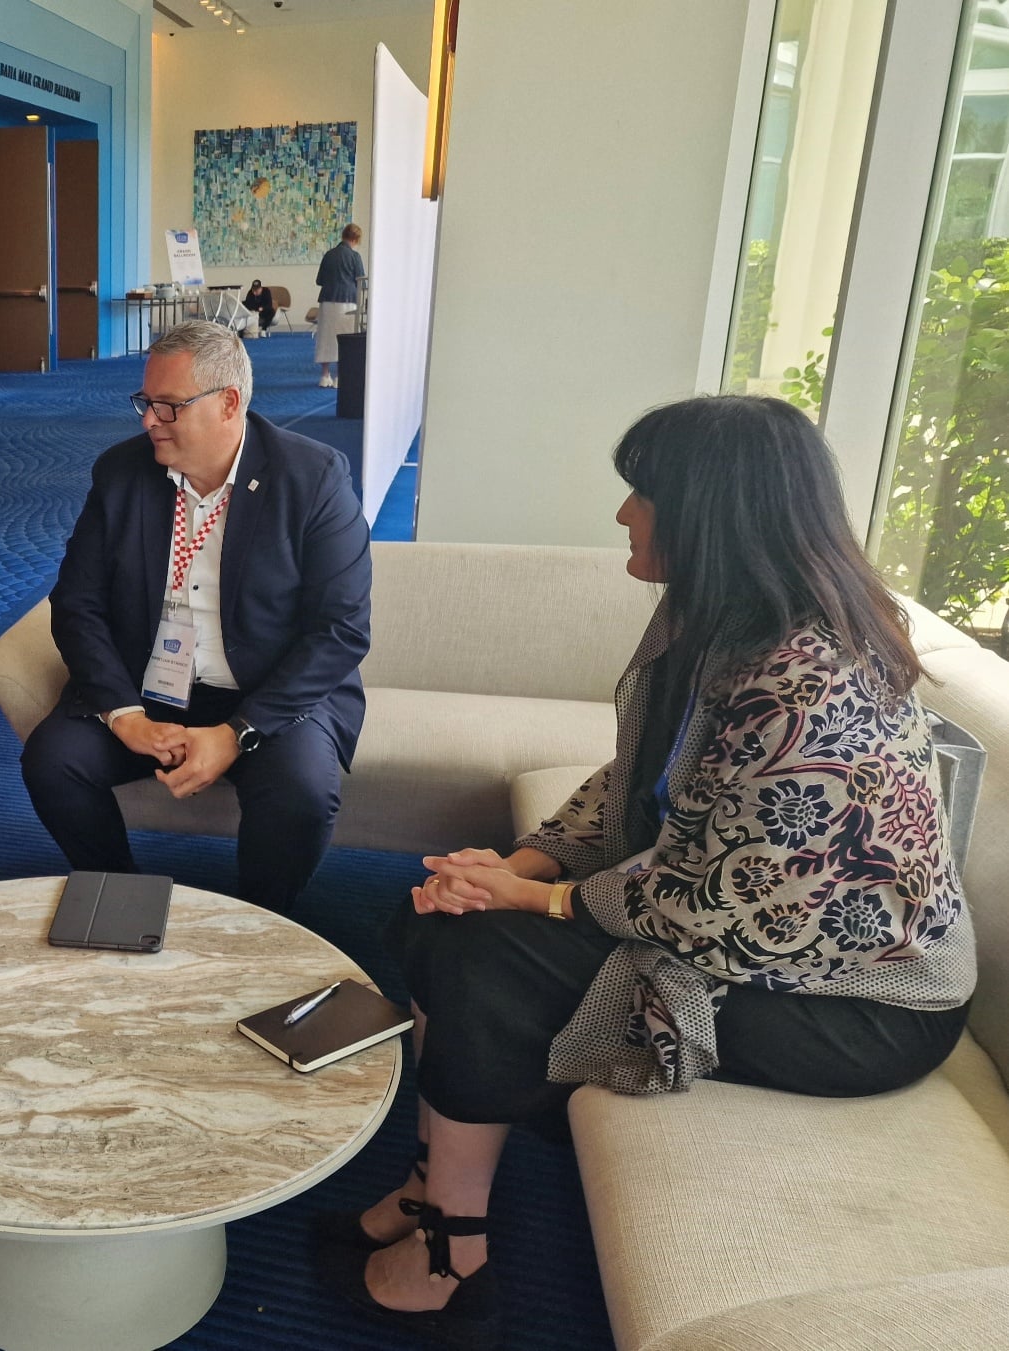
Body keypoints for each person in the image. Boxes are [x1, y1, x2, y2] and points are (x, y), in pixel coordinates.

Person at [319, 395, 976, 1348]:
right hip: (742, 929)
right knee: (439, 917)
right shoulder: (719, 620)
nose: (624, 513)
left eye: (643, 493)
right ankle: (432, 1189)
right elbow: (636, 777)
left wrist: (531, 895)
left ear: (711, 510)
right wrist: (519, 861)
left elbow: (736, 906)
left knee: (481, 958)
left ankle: (455, 1258)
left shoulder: (812, 682)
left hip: (853, 1003)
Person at [20, 320, 371, 914]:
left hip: (267, 693)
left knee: (302, 793)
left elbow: (341, 628)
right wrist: (123, 713)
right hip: (149, 691)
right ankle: (121, 901)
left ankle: (257, 923)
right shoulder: (122, 473)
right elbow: (78, 603)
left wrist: (237, 733)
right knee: (53, 761)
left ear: (228, 403)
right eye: (145, 402)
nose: (149, 421)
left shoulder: (311, 478)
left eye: (169, 406)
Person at [314, 224, 365, 387]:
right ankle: (339, 377)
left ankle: (324, 375)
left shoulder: (329, 255)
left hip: (328, 300)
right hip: (348, 301)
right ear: (356, 239)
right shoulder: (355, 256)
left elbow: (319, 280)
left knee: (326, 337)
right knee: (345, 340)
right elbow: (361, 281)